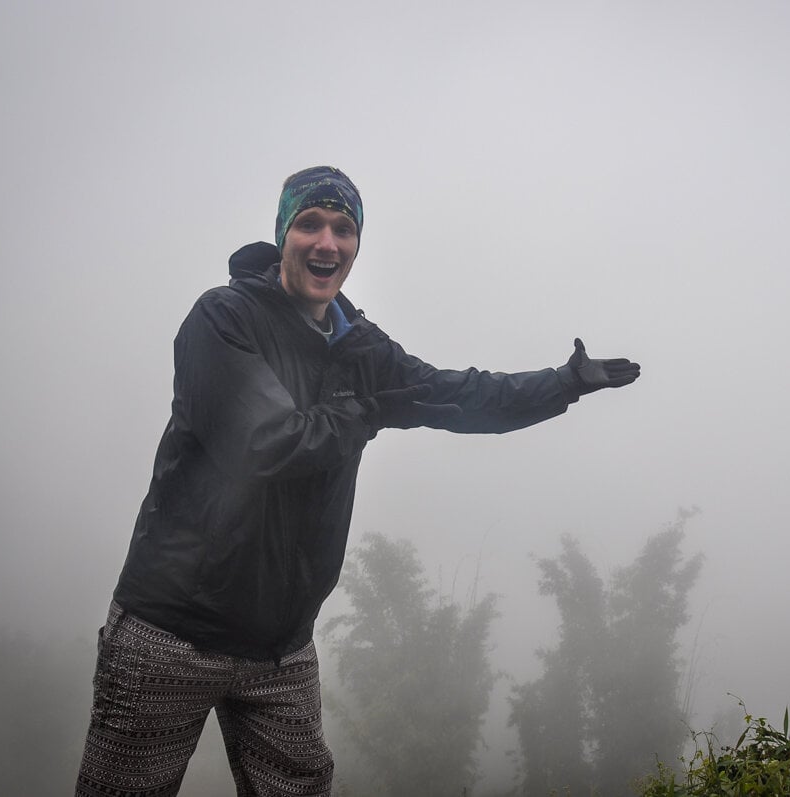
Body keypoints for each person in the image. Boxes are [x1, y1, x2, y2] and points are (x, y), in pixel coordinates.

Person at [75, 166, 640, 796]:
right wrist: (368, 410)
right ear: (284, 234)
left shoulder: (360, 347)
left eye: (344, 229)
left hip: (280, 648)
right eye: (310, 224)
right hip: (171, 634)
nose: (327, 242)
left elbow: (458, 394)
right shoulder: (223, 319)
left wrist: (564, 383)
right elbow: (266, 444)